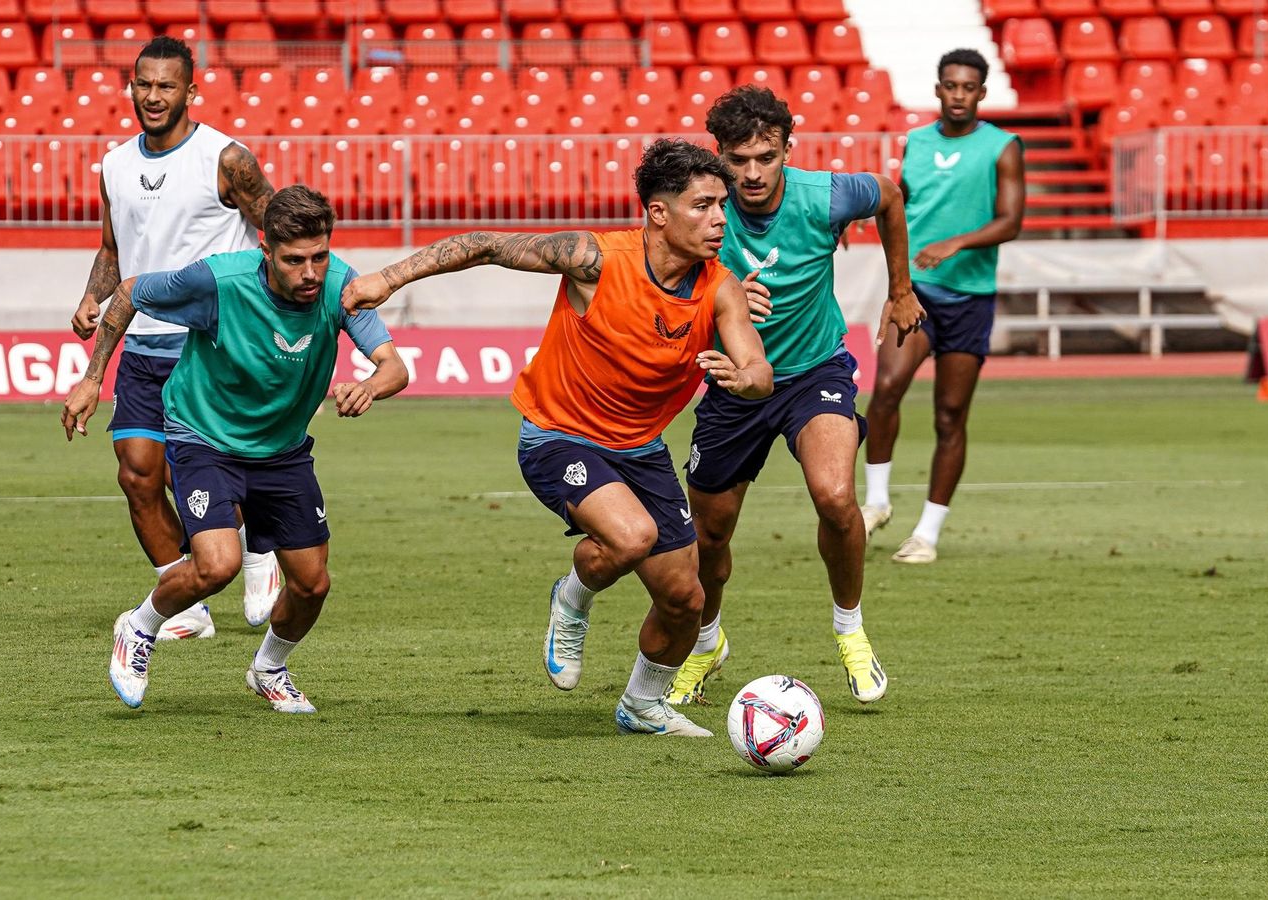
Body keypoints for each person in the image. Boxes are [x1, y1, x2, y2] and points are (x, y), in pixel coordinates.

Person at [344, 139, 773, 737]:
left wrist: (744, 377)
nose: (720, 219)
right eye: (703, 206)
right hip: (557, 435)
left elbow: (758, 370)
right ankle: (571, 599)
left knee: (686, 599)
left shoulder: (721, 288)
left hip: (640, 448)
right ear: (658, 212)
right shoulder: (596, 259)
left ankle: (643, 705)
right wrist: (387, 279)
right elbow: (488, 245)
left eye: (722, 205)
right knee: (632, 537)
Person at [63, 185, 408, 713]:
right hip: (205, 437)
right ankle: (139, 627)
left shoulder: (342, 286)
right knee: (215, 566)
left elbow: (394, 366)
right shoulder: (218, 281)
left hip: (284, 450)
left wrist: (371, 385)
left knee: (313, 585)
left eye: (320, 256)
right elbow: (130, 291)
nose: (310, 273)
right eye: (295, 261)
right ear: (266, 251)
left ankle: (268, 669)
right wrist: (92, 378)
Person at [666, 86, 923, 707]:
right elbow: (662, 291)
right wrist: (718, 308)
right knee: (711, 534)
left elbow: (889, 198)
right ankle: (705, 643)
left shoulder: (829, 195)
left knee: (836, 497)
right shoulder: (697, 212)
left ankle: (851, 630)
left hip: (815, 372)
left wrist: (900, 288)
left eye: (767, 157)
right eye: (738, 159)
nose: (752, 173)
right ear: (718, 156)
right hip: (734, 383)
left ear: (788, 150)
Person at [69, 36, 283, 637]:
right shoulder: (114, 163)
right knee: (137, 472)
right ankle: (184, 602)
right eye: (145, 84)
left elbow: (277, 233)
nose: (154, 96)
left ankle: (258, 546)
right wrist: (93, 294)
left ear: (191, 91)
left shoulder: (226, 159)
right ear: (130, 87)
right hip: (141, 343)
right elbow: (115, 249)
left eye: (167, 86)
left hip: (212, 351)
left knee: (193, 472)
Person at [863, 48, 1025, 564]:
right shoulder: (915, 143)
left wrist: (956, 242)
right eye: (950, 86)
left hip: (970, 299)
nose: (958, 95)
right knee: (885, 387)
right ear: (938, 89)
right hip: (917, 293)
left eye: (968, 87)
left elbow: (1012, 221)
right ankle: (877, 502)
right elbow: (897, 202)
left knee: (950, 416)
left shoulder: (1003, 147)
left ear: (982, 92)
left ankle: (927, 534)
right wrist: (854, 215)